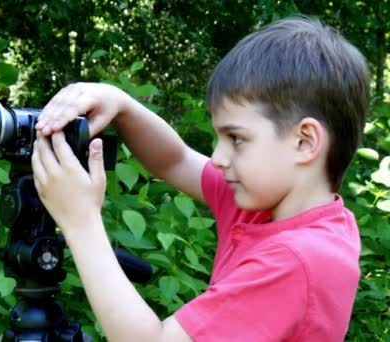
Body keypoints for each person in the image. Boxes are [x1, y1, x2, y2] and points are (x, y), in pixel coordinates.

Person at [30, 16, 369, 341]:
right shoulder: (272, 205)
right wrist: (121, 104)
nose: (219, 159)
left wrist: (81, 223)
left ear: (304, 142)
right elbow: (175, 160)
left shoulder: (299, 260)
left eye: (236, 138)